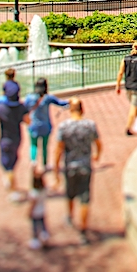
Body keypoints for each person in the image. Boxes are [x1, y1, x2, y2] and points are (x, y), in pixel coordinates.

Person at [53, 97, 101, 245]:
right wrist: (96, 155)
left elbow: (59, 150)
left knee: (70, 194)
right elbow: (99, 144)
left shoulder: (64, 127)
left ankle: (69, 215)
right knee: (85, 199)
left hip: (69, 166)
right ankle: (83, 230)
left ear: (70, 110)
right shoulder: (90, 125)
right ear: (82, 109)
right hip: (85, 165)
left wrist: (56, 170)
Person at [0, 81, 30, 202]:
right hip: (17, 139)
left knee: (9, 167)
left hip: (5, 140)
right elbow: (28, 121)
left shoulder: (0, 109)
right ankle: (9, 180)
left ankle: (13, 191)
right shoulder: (21, 107)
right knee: (12, 161)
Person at [25, 78, 69, 168]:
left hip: (33, 125)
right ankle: (45, 164)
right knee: (45, 146)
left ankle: (33, 161)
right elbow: (61, 103)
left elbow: (24, 108)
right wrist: (70, 101)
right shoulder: (48, 98)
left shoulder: (29, 97)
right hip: (45, 126)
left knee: (33, 145)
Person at [116, 41, 137, 135]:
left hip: (128, 86)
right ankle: (128, 128)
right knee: (133, 108)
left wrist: (118, 85)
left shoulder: (125, 59)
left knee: (135, 106)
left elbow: (120, 73)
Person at [28, 167, 50, 249]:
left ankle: (35, 240)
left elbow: (33, 204)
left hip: (35, 212)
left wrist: (29, 212)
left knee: (35, 227)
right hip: (42, 210)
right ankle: (45, 237)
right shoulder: (44, 190)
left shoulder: (34, 193)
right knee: (43, 225)